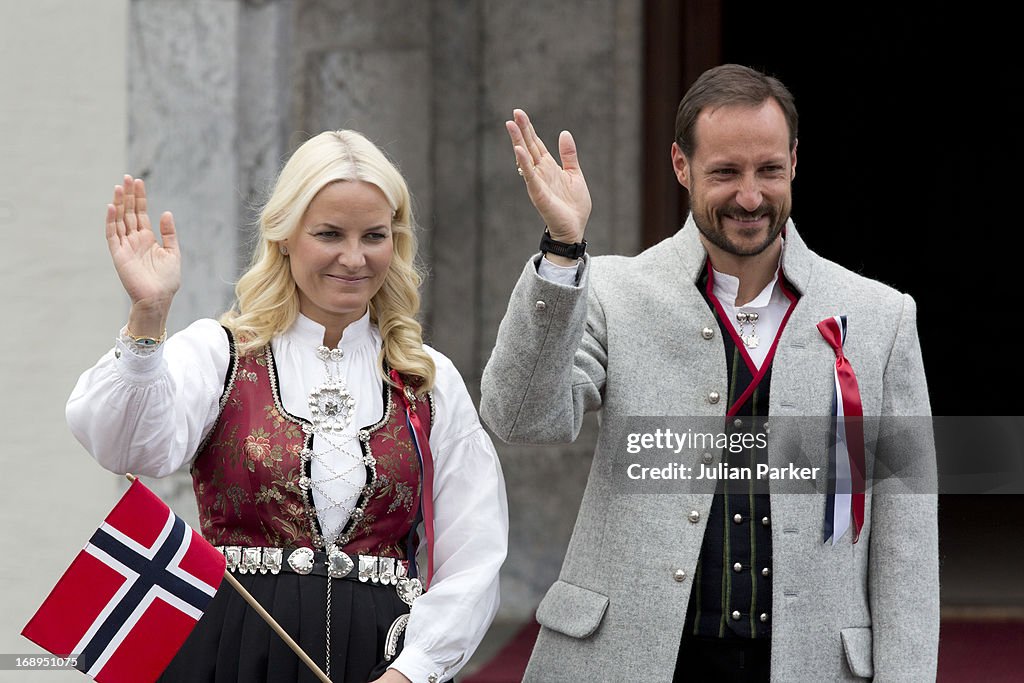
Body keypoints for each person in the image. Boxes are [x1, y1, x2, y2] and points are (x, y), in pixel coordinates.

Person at [480, 64, 938, 681]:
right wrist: (564, 250)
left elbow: (906, 536)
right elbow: (521, 417)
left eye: (769, 170)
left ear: (795, 163)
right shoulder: (613, 292)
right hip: (633, 659)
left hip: (812, 664)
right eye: (725, 172)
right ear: (681, 165)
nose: (750, 197)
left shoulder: (881, 317)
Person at [67, 130, 508, 683]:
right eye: (329, 234)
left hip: (382, 660)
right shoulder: (220, 353)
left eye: (374, 235)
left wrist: (414, 671)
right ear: (284, 236)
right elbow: (123, 445)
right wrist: (149, 315)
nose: (354, 257)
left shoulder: (426, 380)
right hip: (233, 651)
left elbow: (476, 549)